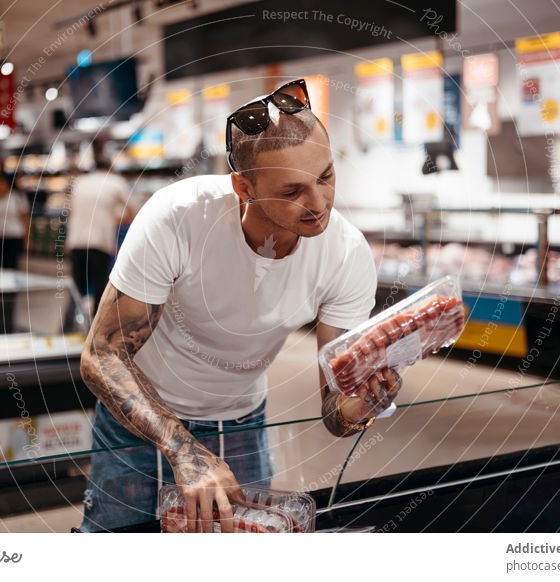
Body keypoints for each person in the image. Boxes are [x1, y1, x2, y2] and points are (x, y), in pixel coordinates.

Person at [79, 79, 402, 533]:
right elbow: (102, 355)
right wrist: (184, 450)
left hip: (242, 420)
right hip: (139, 421)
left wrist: (365, 403)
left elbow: (336, 413)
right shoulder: (179, 216)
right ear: (244, 187)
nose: (319, 204)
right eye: (291, 192)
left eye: (326, 177)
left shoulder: (345, 252)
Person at [66, 152, 133, 316]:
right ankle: (96, 329)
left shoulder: (79, 183)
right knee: (100, 288)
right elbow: (133, 210)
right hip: (99, 242)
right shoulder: (115, 182)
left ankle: (71, 326)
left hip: (76, 241)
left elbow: (71, 210)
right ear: (110, 168)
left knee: (76, 289)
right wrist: (119, 219)